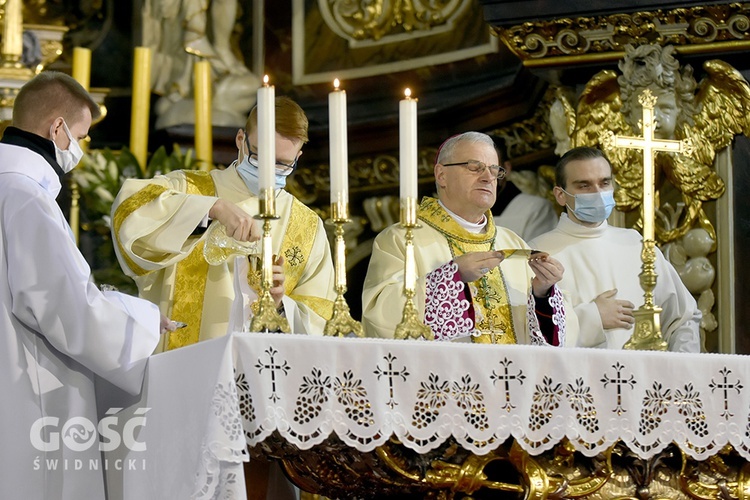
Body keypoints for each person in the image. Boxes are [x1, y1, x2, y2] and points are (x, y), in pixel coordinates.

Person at [0, 71, 163, 499]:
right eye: (81, 137)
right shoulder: (26, 198)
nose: (79, 151)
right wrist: (146, 322)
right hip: (25, 388)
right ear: (57, 128)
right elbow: (65, 307)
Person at [112, 96, 336, 352]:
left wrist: (280, 304)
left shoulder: (307, 226)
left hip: (261, 369)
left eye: (283, 164)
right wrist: (211, 208)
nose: (269, 171)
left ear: (298, 156)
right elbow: (129, 213)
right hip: (190, 360)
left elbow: (323, 314)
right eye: (261, 158)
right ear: (241, 140)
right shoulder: (189, 188)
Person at [362, 131, 572, 346]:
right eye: (474, 167)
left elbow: (548, 338)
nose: (487, 177)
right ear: (441, 175)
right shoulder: (400, 240)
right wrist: (450, 278)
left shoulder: (513, 243)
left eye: (494, 170)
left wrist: (542, 292)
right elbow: (381, 316)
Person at [530, 146, 701, 352]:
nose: (597, 193)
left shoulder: (636, 245)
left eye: (604, 183)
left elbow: (685, 318)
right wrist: (593, 318)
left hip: (647, 378)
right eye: (584, 185)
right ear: (560, 195)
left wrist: (680, 369)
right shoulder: (538, 252)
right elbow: (529, 332)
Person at [492, 161, 558, 241]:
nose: (485, 175)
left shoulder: (537, 208)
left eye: (492, 167)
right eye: (475, 168)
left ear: (506, 168)